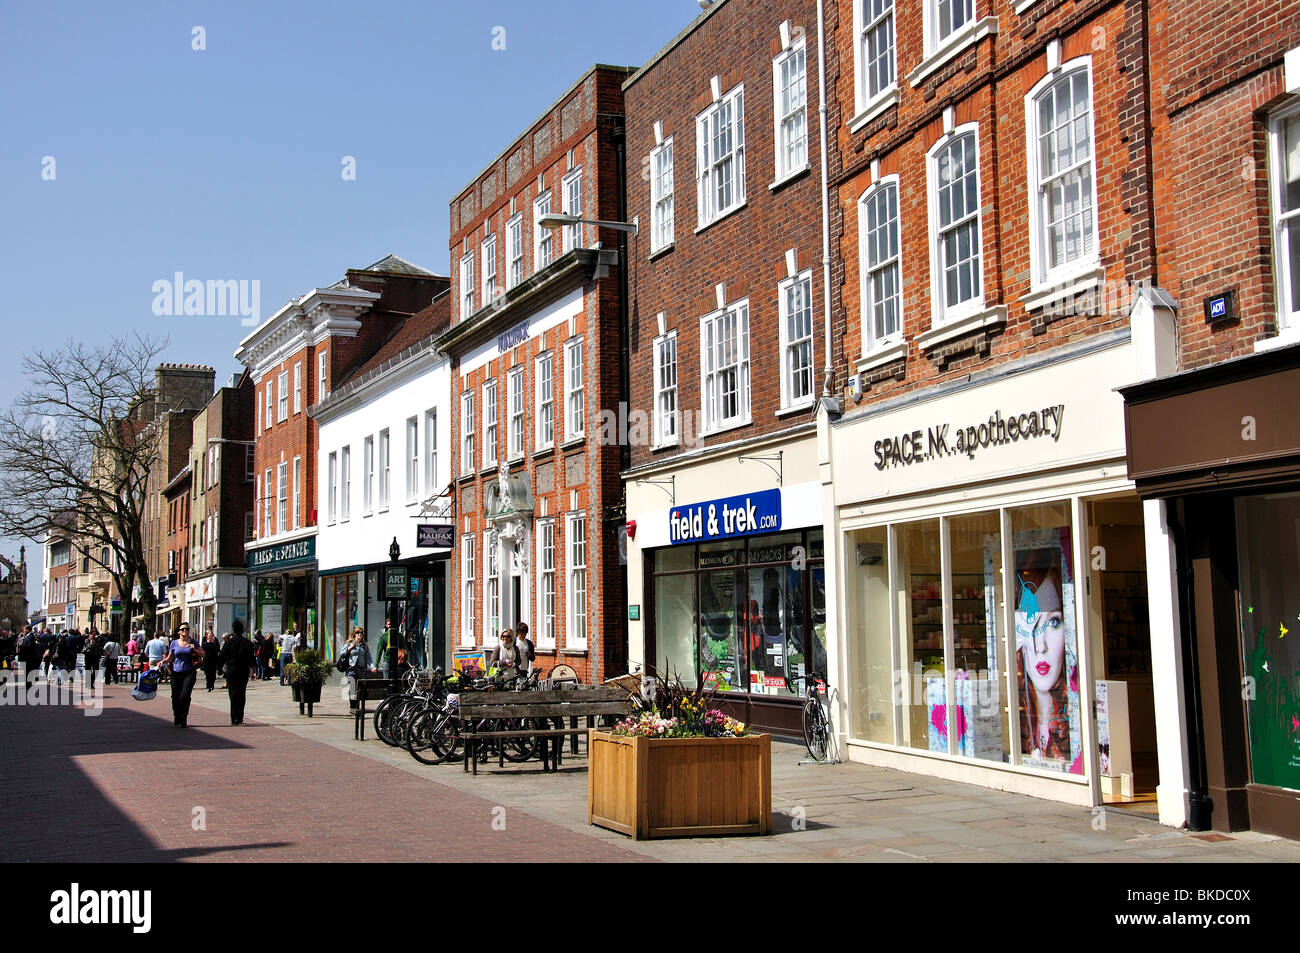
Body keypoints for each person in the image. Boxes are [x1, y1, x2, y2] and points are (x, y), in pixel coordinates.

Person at [1015, 566, 1071, 764]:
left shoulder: (1074, 725)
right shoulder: (1019, 725)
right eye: (1030, 624)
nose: (1040, 646)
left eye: (1053, 622)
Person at [158, 622, 203, 728]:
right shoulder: (173, 643)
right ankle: (177, 716)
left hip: (189, 672)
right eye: (182, 629)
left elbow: (203, 654)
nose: (185, 631)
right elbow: (170, 657)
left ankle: (183, 718)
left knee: (185, 695)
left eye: (187, 629)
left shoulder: (193, 642)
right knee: (175, 696)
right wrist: (163, 662)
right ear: (178, 632)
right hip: (175, 673)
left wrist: (194, 649)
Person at [218, 620, 255, 725]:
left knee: (233, 694)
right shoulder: (247, 643)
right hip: (243, 670)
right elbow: (251, 658)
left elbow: (222, 656)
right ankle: (240, 717)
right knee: (241, 693)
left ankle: (234, 718)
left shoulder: (229, 643)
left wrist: (219, 668)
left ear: (233, 630)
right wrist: (254, 671)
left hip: (232, 670)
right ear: (242, 630)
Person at [340, 627, 373, 709]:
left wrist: (372, 666)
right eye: (358, 633)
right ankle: (353, 706)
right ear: (354, 634)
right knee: (352, 687)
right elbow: (341, 653)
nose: (359, 635)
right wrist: (350, 648)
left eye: (361, 633)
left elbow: (368, 657)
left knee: (360, 688)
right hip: (351, 669)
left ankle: (357, 705)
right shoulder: (349, 643)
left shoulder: (365, 645)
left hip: (361, 669)